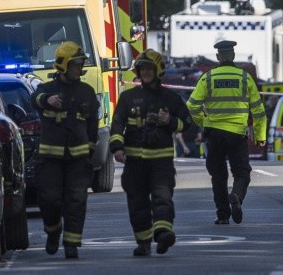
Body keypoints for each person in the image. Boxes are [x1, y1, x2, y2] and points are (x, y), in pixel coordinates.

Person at [109, 49, 192, 257]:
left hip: (161, 162)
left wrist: (169, 121)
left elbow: (188, 123)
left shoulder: (171, 98)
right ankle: (143, 242)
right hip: (134, 162)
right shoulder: (128, 97)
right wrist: (117, 148)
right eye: (142, 68)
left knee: (162, 198)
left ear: (158, 71)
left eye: (149, 68)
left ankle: (163, 233)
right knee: (137, 204)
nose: (145, 72)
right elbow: (117, 123)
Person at [186, 40, 267, 225]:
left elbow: (192, 105)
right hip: (237, 134)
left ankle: (223, 215)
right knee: (242, 172)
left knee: (218, 175)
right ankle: (237, 195)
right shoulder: (245, 78)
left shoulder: (208, 78)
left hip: (214, 134)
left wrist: (204, 123)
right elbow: (258, 110)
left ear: (218, 57)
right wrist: (260, 135)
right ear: (232, 55)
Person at [31, 41, 99, 259]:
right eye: (76, 64)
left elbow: (92, 125)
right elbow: (34, 99)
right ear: (63, 66)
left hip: (78, 160)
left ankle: (71, 244)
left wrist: (89, 148)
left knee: (76, 201)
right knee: (49, 199)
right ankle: (53, 231)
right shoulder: (47, 89)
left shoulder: (87, 92)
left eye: (81, 64)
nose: (80, 68)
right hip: (50, 160)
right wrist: (47, 101)